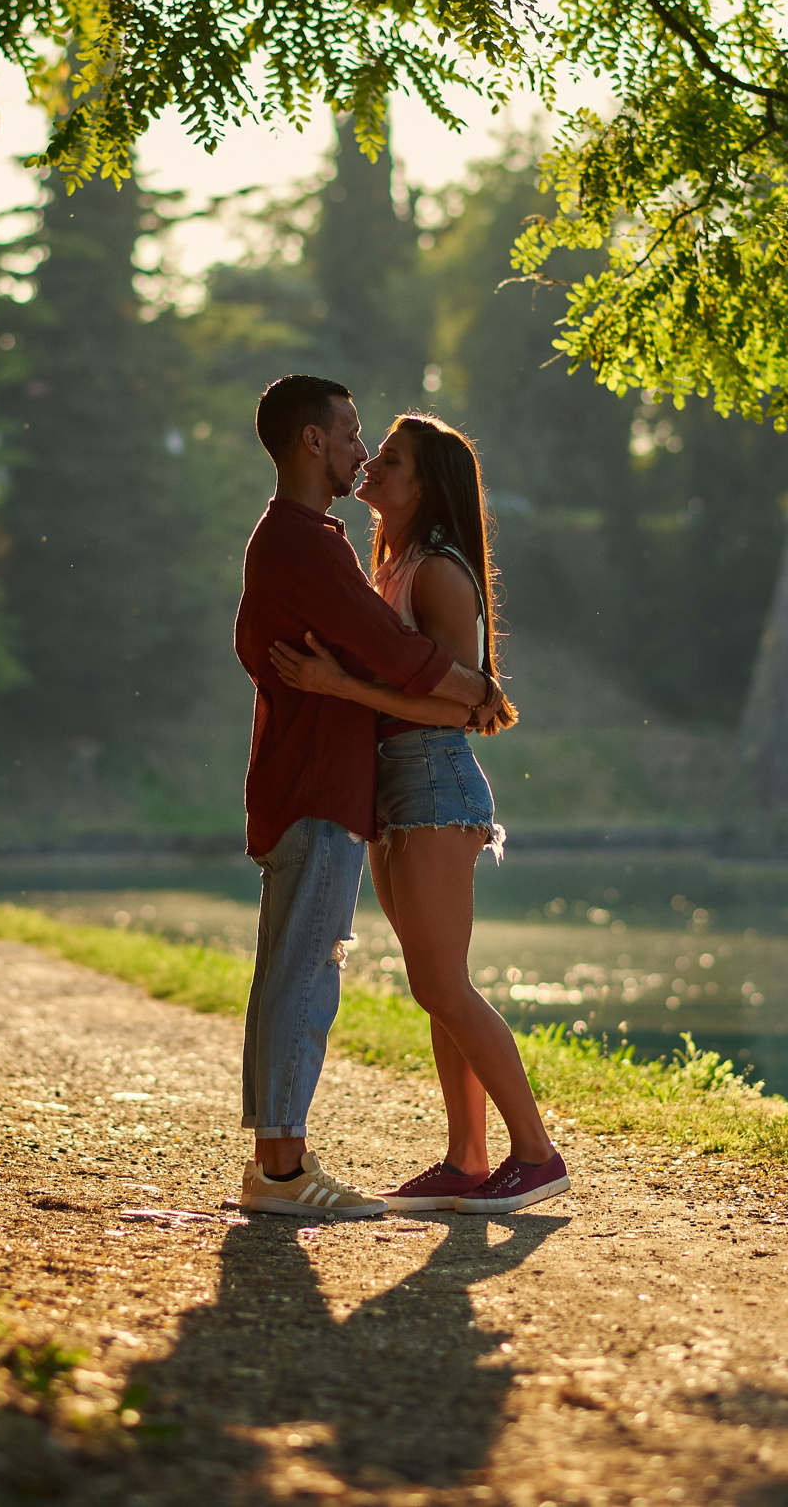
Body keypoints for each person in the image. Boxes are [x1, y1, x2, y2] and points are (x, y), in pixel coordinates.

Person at [269, 413, 569, 1216]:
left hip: (435, 782)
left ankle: (535, 1154)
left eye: (391, 458)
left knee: (443, 983)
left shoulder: (437, 571)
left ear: (424, 487)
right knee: (437, 987)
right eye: (373, 450)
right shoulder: (388, 566)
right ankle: (467, 1160)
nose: (369, 462)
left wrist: (340, 687)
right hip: (394, 788)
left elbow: (452, 701)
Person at [233, 376, 510, 1221]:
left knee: (302, 971)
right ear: (312, 441)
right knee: (302, 977)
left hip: (327, 784)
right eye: (354, 435)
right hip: (319, 786)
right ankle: (281, 1169)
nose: (362, 453)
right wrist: (476, 685)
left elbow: (371, 652)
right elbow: (389, 650)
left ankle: (284, 1159)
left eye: (377, 446)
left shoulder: (302, 540)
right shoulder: (309, 543)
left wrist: (441, 687)